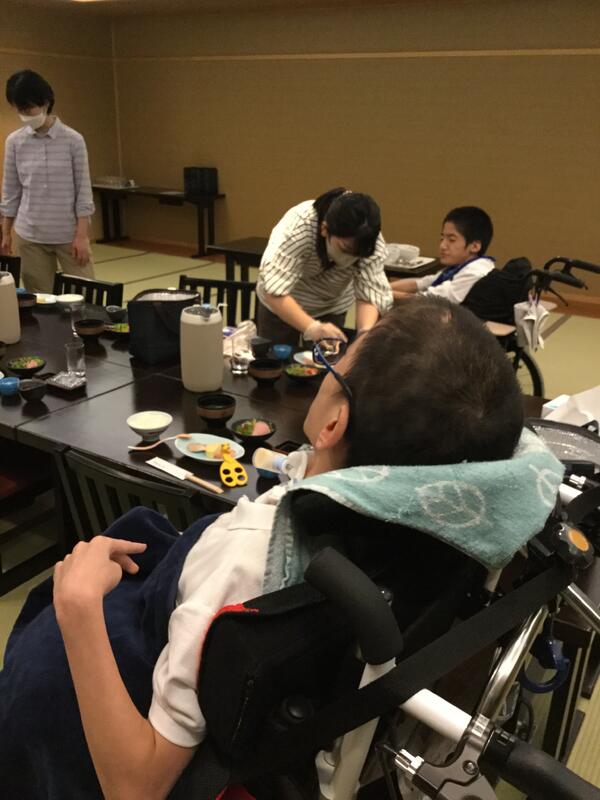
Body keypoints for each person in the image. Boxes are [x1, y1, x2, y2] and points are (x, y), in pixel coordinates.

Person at [2, 297, 556, 800]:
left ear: (334, 422)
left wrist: (78, 608)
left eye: (335, 365)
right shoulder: (444, 513)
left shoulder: (246, 555)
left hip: (156, 657)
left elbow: (138, 786)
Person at [256, 187, 393, 346]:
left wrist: (364, 334)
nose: (349, 259)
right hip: (283, 303)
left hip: (331, 304)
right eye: (344, 249)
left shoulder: (370, 241)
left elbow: (370, 296)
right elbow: (274, 291)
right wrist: (312, 327)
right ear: (324, 229)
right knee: (273, 357)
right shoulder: (300, 226)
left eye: (358, 255)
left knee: (328, 358)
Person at [0, 69, 95, 293]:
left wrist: (82, 236)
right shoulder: (14, 142)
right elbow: (10, 192)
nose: (24, 115)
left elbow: (83, 193)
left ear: (45, 102)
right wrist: (5, 233)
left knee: (85, 298)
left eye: (28, 108)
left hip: (69, 234)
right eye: (19, 109)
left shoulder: (73, 140)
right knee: (40, 302)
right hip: (30, 236)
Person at [390, 206, 494, 305]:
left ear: (475, 246)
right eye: (442, 238)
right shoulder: (460, 266)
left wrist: (385, 294)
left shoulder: (474, 272)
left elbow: (428, 300)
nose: (442, 246)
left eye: (451, 240)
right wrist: (385, 287)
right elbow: (421, 283)